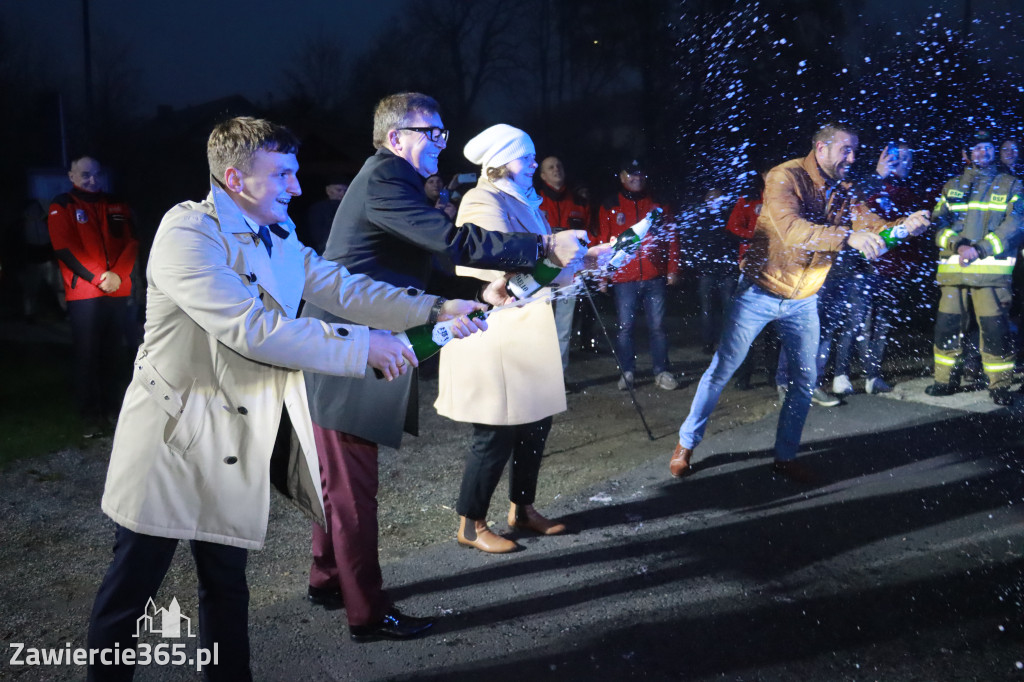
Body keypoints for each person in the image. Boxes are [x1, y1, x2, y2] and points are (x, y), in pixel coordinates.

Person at [85, 116, 486, 681]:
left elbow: (342, 286)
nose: (297, 186)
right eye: (283, 174)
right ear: (234, 178)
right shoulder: (189, 232)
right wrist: (363, 346)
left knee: (226, 585)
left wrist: (434, 308)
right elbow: (253, 329)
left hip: (233, 439)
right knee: (132, 590)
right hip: (173, 439)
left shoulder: (278, 234)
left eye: (295, 172)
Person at [302, 93, 588, 642]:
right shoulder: (386, 177)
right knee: (352, 483)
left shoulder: (394, 181)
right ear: (395, 139)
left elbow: (427, 264)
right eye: (429, 132)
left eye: (442, 132)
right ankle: (366, 612)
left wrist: (481, 286)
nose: (441, 142)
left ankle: (326, 577)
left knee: (340, 475)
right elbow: (452, 240)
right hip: (349, 342)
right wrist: (546, 243)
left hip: (361, 332)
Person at [668, 122, 931, 483]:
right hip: (758, 291)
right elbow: (793, 230)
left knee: (804, 380)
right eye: (846, 150)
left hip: (804, 297)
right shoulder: (784, 175)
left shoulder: (843, 189)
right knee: (723, 368)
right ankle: (686, 443)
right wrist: (849, 237)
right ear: (822, 149)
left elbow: (872, 226)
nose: (853, 158)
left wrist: (904, 227)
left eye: (855, 150)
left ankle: (785, 455)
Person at [436, 125, 576, 553]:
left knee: (535, 423)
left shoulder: (524, 201)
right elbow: (501, 261)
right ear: (501, 159)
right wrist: (562, 251)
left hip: (527, 333)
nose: (535, 163)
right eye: (526, 156)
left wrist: (589, 256)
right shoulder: (482, 200)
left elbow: (550, 262)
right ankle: (470, 522)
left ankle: (523, 507)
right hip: (492, 333)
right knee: (494, 430)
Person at [925, 129, 1024, 405]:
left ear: (994, 152)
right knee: (947, 328)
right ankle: (945, 380)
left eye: (988, 147)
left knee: (995, 329)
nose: (983, 152)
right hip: (953, 273)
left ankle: (1000, 385)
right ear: (965, 154)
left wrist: (979, 249)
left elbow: (1016, 225)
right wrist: (958, 246)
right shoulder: (951, 186)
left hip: (990, 276)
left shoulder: (1011, 185)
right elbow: (937, 224)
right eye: (977, 148)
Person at [47, 155, 139, 437]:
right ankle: (90, 415)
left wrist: (119, 275)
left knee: (113, 352)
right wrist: (100, 277)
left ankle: (114, 410)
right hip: (85, 292)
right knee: (87, 354)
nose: (92, 179)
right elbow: (65, 247)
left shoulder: (116, 204)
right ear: (71, 176)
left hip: (117, 290)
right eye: (85, 174)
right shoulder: (61, 205)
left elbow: (131, 241)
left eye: (97, 174)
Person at [598, 158, 680, 391]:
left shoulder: (659, 203)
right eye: (631, 174)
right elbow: (604, 243)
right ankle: (627, 371)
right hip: (624, 279)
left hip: (654, 277)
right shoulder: (610, 205)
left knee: (658, 326)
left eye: (641, 173)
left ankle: (662, 371)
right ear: (622, 176)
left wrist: (673, 268)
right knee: (625, 327)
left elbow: (672, 238)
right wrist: (603, 276)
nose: (637, 178)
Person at [537, 155, 593, 369]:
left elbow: (589, 235)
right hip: (542, 270)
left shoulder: (578, 201)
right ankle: (540, 374)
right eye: (550, 167)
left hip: (570, 271)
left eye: (559, 165)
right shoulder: (535, 200)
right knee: (540, 325)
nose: (556, 169)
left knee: (563, 326)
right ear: (542, 175)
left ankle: (560, 376)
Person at [690, 188, 739, 355]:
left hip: (727, 271)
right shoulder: (701, 218)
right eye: (711, 199)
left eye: (717, 199)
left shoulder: (728, 216)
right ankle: (708, 342)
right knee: (707, 309)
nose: (715, 202)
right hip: (707, 271)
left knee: (728, 309)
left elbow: (734, 240)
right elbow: (694, 242)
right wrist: (698, 265)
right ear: (706, 200)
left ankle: (727, 342)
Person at [303, 178, 349, 255]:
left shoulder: (349, 207)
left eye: (345, 191)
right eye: (339, 190)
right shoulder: (318, 208)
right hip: (325, 250)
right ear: (328, 190)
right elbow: (316, 235)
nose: (342, 194)